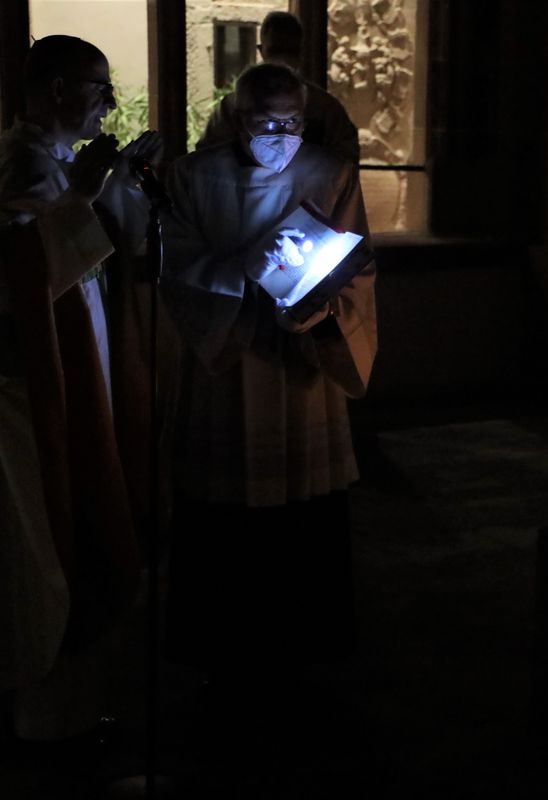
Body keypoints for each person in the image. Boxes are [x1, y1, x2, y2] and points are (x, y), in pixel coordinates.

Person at [0, 35, 162, 745]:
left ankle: (75, 701)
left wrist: (116, 182)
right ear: (59, 89)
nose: (109, 104)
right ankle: (43, 712)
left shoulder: (53, 157)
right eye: (100, 89)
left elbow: (85, 243)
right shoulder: (21, 159)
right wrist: (83, 196)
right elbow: (12, 271)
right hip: (29, 385)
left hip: (71, 360)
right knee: (41, 532)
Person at [160, 62, 375, 774]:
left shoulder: (331, 174)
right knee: (226, 523)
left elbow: (356, 266)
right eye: (264, 123)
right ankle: (223, 663)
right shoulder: (194, 177)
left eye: (292, 123)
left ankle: (298, 660)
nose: (280, 137)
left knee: (299, 526)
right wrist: (246, 273)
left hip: (298, 367)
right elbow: (176, 266)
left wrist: (317, 308)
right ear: (236, 118)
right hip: (227, 372)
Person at [197, 10, 360, 163]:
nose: (282, 60)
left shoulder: (327, 109)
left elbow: (346, 164)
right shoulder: (327, 108)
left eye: (289, 51)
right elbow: (206, 160)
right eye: (277, 50)